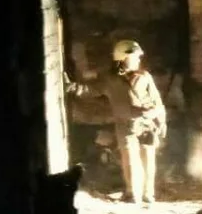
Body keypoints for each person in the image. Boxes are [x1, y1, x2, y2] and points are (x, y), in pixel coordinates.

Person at [68, 39, 166, 203]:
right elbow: (90, 90)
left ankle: (148, 193)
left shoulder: (145, 77)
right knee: (130, 159)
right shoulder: (110, 80)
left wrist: (161, 121)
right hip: (126, 126)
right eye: (135, 57)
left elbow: (157, 101)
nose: (138, 60)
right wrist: (71, 87)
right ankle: (132, 193)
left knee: (148, 159)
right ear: (123, 58)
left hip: (147, 124)